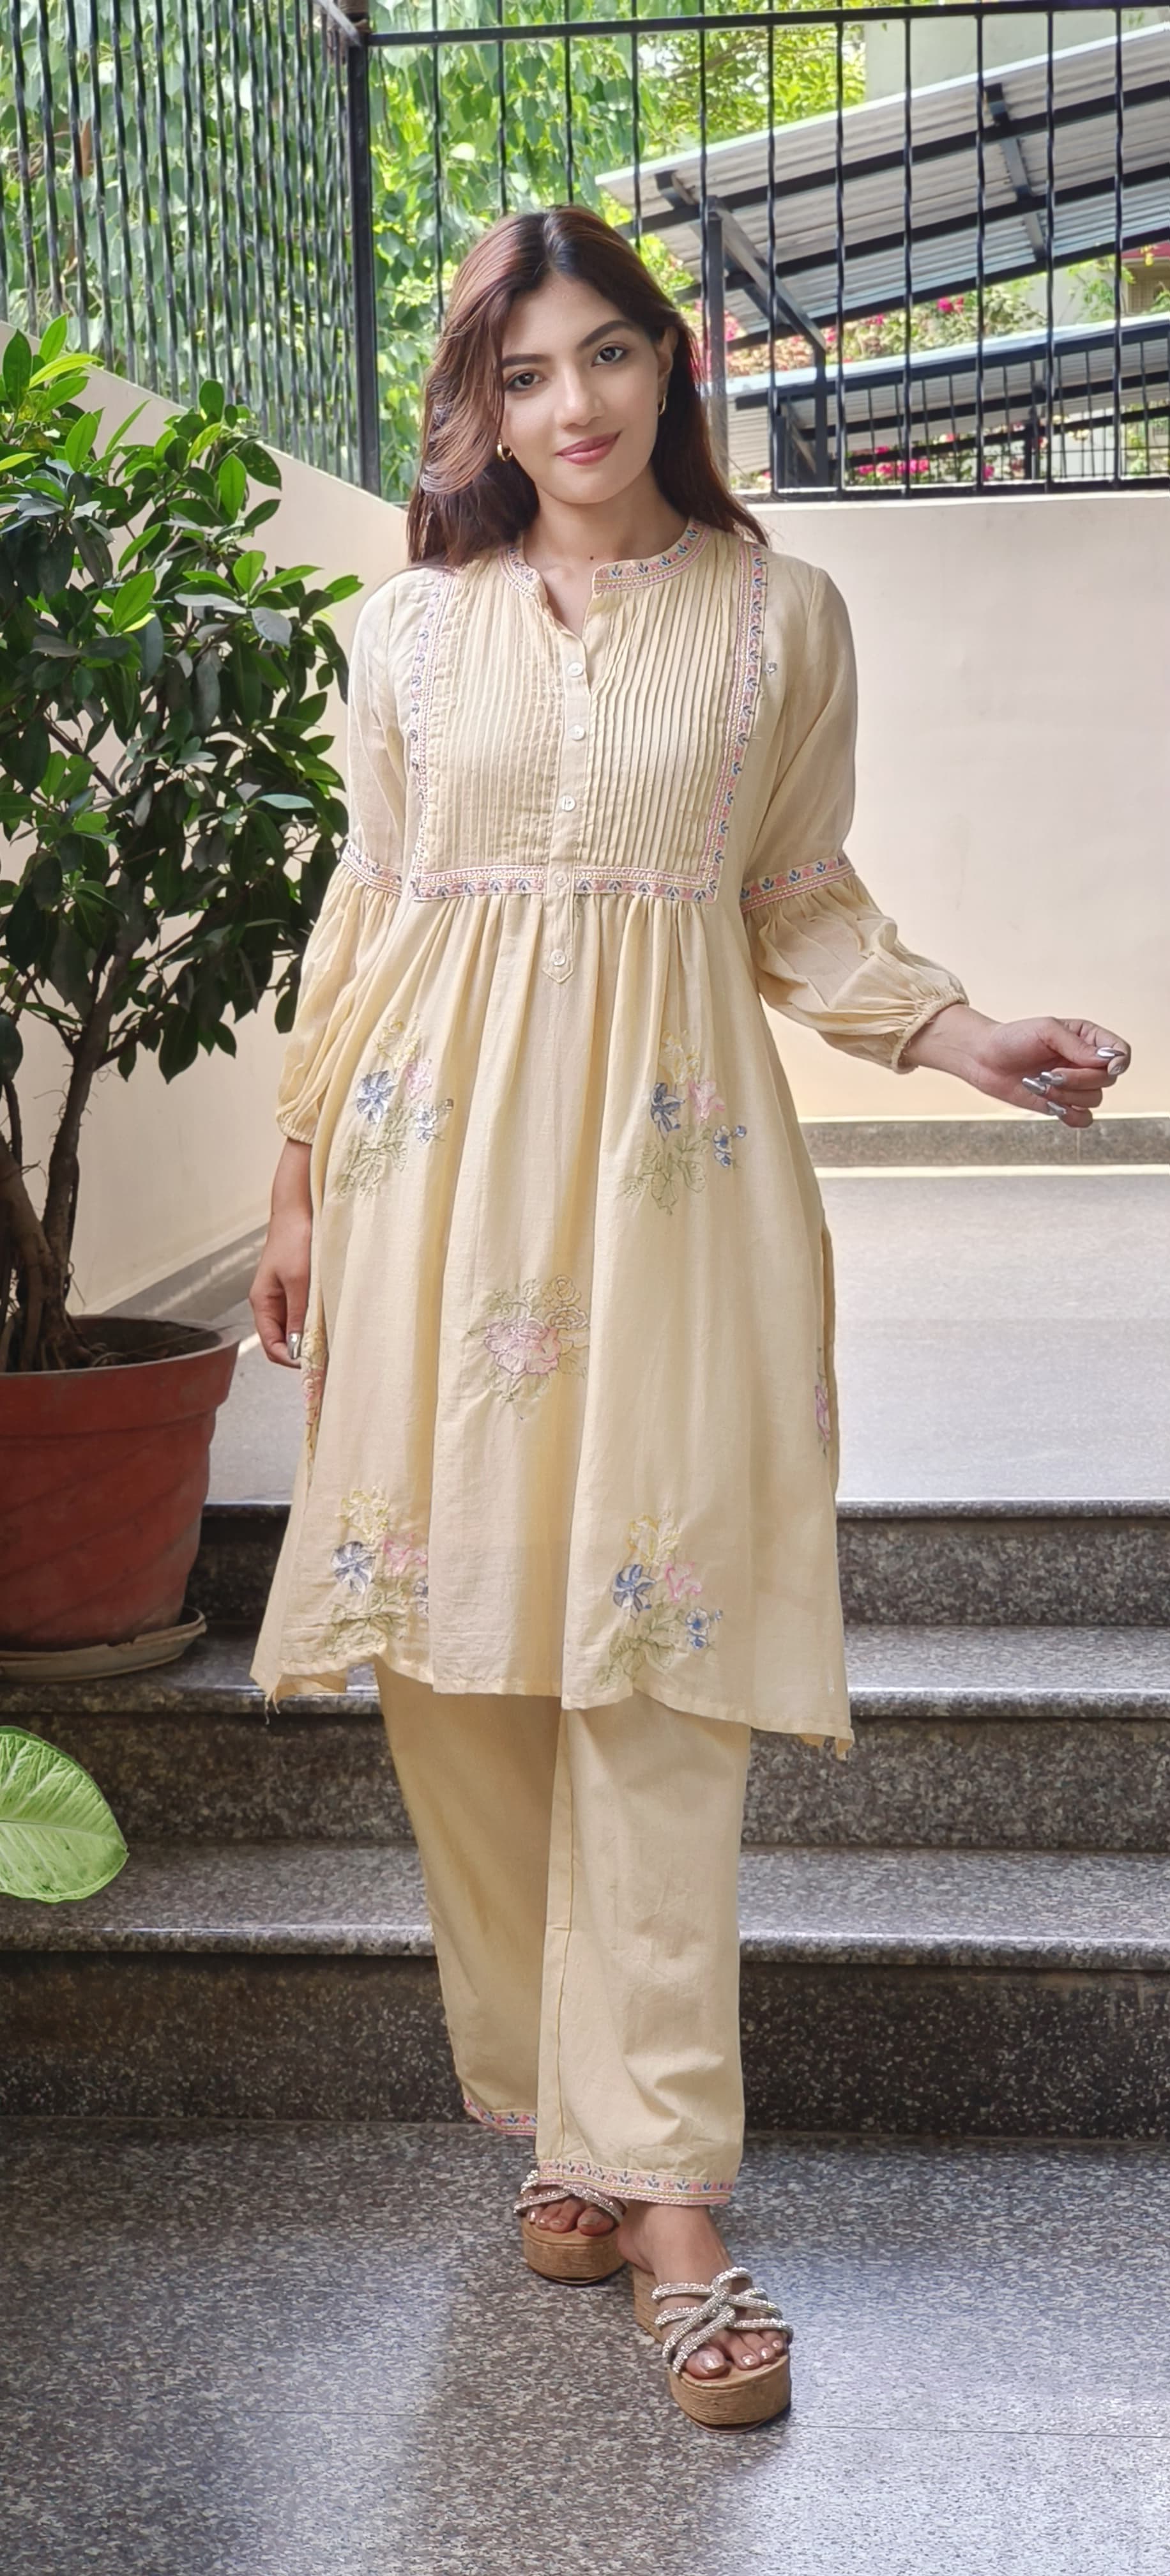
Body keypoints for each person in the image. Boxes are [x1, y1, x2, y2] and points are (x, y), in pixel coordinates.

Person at [248, 205, 1131, 2428]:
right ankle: (559, 2116)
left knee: (656, 1646)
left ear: (674, 362)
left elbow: (797, 897)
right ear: (479, 405)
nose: (577, 407)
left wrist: (965, 1035)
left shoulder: (777, 616)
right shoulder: (408, 632)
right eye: (527, 373)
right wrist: (295, 1182)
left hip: (670, 1189)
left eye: (612, 356)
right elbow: (370, 911)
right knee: (454, 1664)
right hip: (425, 1185)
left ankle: (664, 2204)